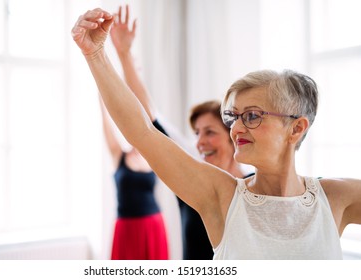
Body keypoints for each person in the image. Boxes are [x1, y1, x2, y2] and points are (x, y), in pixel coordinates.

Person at [71, 8, 361, 259]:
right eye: (232, 117)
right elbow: (144, 131)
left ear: (296, 128)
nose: (235, 128)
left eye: (251, 116)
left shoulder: (337, 196)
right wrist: (96, 54)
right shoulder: (220, 195)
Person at [109, 5, 252, 260]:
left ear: (234, 136)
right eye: (196, 133)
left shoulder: (254, 184)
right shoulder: (191, 172)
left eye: (210, 132)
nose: (200, 142)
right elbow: (149, 115)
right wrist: (124, 54)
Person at [98, 92, 169, 259]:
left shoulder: (151, 157)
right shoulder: (119, 155)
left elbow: (151, 119)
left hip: (152, 224)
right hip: (126, 227)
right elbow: (106, 127)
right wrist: (102, 99)